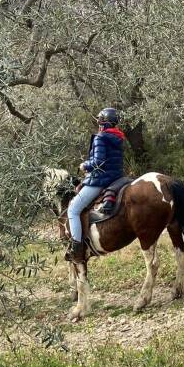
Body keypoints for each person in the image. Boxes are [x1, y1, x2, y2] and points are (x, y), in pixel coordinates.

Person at [66, 108, 126, 261]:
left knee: (73, 209)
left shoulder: (100, 137)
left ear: (103, 122)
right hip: (116, 177)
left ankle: (76, 247)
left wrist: (85, 165)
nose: (98, 123)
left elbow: (98, 162)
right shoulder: (118, 137)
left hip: (101, 179)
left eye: (99, 120)